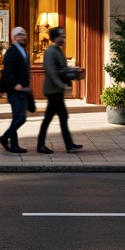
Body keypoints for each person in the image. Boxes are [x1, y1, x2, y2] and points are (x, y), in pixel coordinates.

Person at [36, 26, 84, 155]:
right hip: (53, 90)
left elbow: (61, 68)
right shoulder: (51, 51)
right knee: (61, 116)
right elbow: (51, 71)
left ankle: (44, 144)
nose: (64, 38)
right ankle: (67, 145)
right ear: (55, 37)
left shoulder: (57, 50)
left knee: (51, 117)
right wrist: (61, 85)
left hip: (56, 90)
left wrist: (73, 70)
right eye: (61, 36)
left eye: (64, 36)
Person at [0, 26, 32, 154]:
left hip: (22, 89)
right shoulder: (12, 51)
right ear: (14, 38)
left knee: (17, 117)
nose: (23, 37)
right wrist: (15, 83)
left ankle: (14, 145)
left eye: (24, 34)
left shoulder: (24, 51)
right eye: (20, 35)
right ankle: (5, 137)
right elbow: (9, 70)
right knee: (20, 118)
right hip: (14, 89)